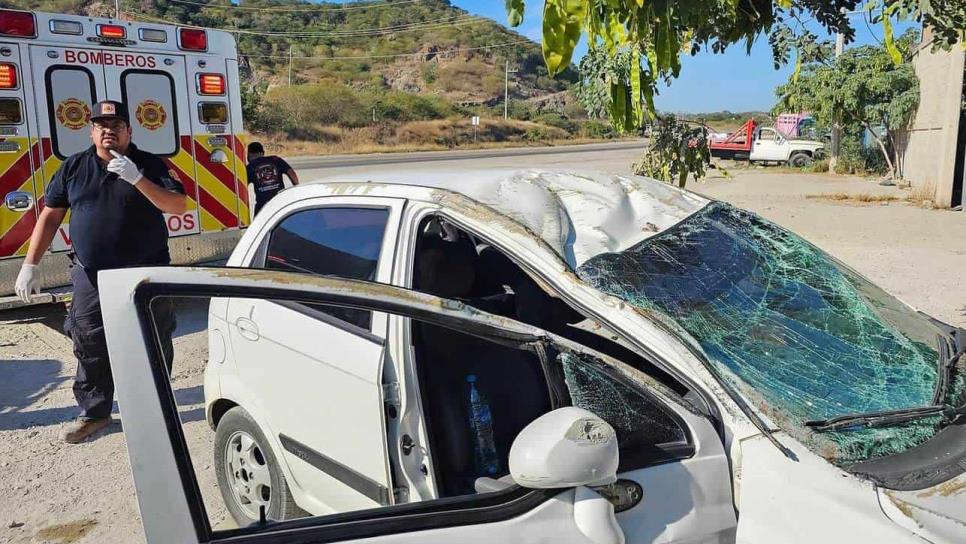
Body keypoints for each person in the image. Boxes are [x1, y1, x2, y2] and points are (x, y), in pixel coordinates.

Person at [14, 100, 188, 444]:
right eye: (101, 124)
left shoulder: (150, 164)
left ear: (129, 131)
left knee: (151, 338)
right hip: (91, 274)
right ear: (92, 130)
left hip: (145, 272)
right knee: (89, 340)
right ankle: (95, 412)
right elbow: (50, 215)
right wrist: (29, 264)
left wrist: (137, 179)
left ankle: (154, 409)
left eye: (116, 124)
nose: (109, 129)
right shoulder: (74, 167)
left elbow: (177, 204)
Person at [246, 142, 299, 217]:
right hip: (280, 201)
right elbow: (291, 172)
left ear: (249, 154)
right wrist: (296, 188)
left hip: (262, 205)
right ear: (263, 153)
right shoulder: (276, 160)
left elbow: (242, 187)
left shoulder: (250, 167)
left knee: (259, 225)